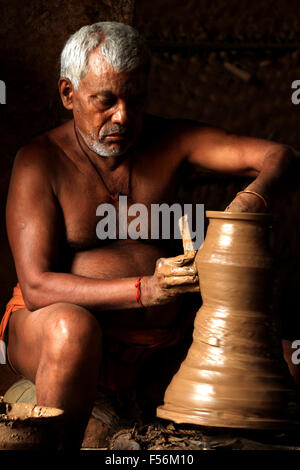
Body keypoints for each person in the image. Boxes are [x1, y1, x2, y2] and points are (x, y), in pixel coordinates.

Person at [0, 21, 298, 448]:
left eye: (135, 100)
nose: (122, 116)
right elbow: (37, 287)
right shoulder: (39, 161)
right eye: (105, 100)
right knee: (73, 329)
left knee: (288, 361)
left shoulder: (172, 140)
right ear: (69, 94)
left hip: (160, 344)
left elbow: (280, 156)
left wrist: (254, 198)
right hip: (52, 331)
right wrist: (143, 290)